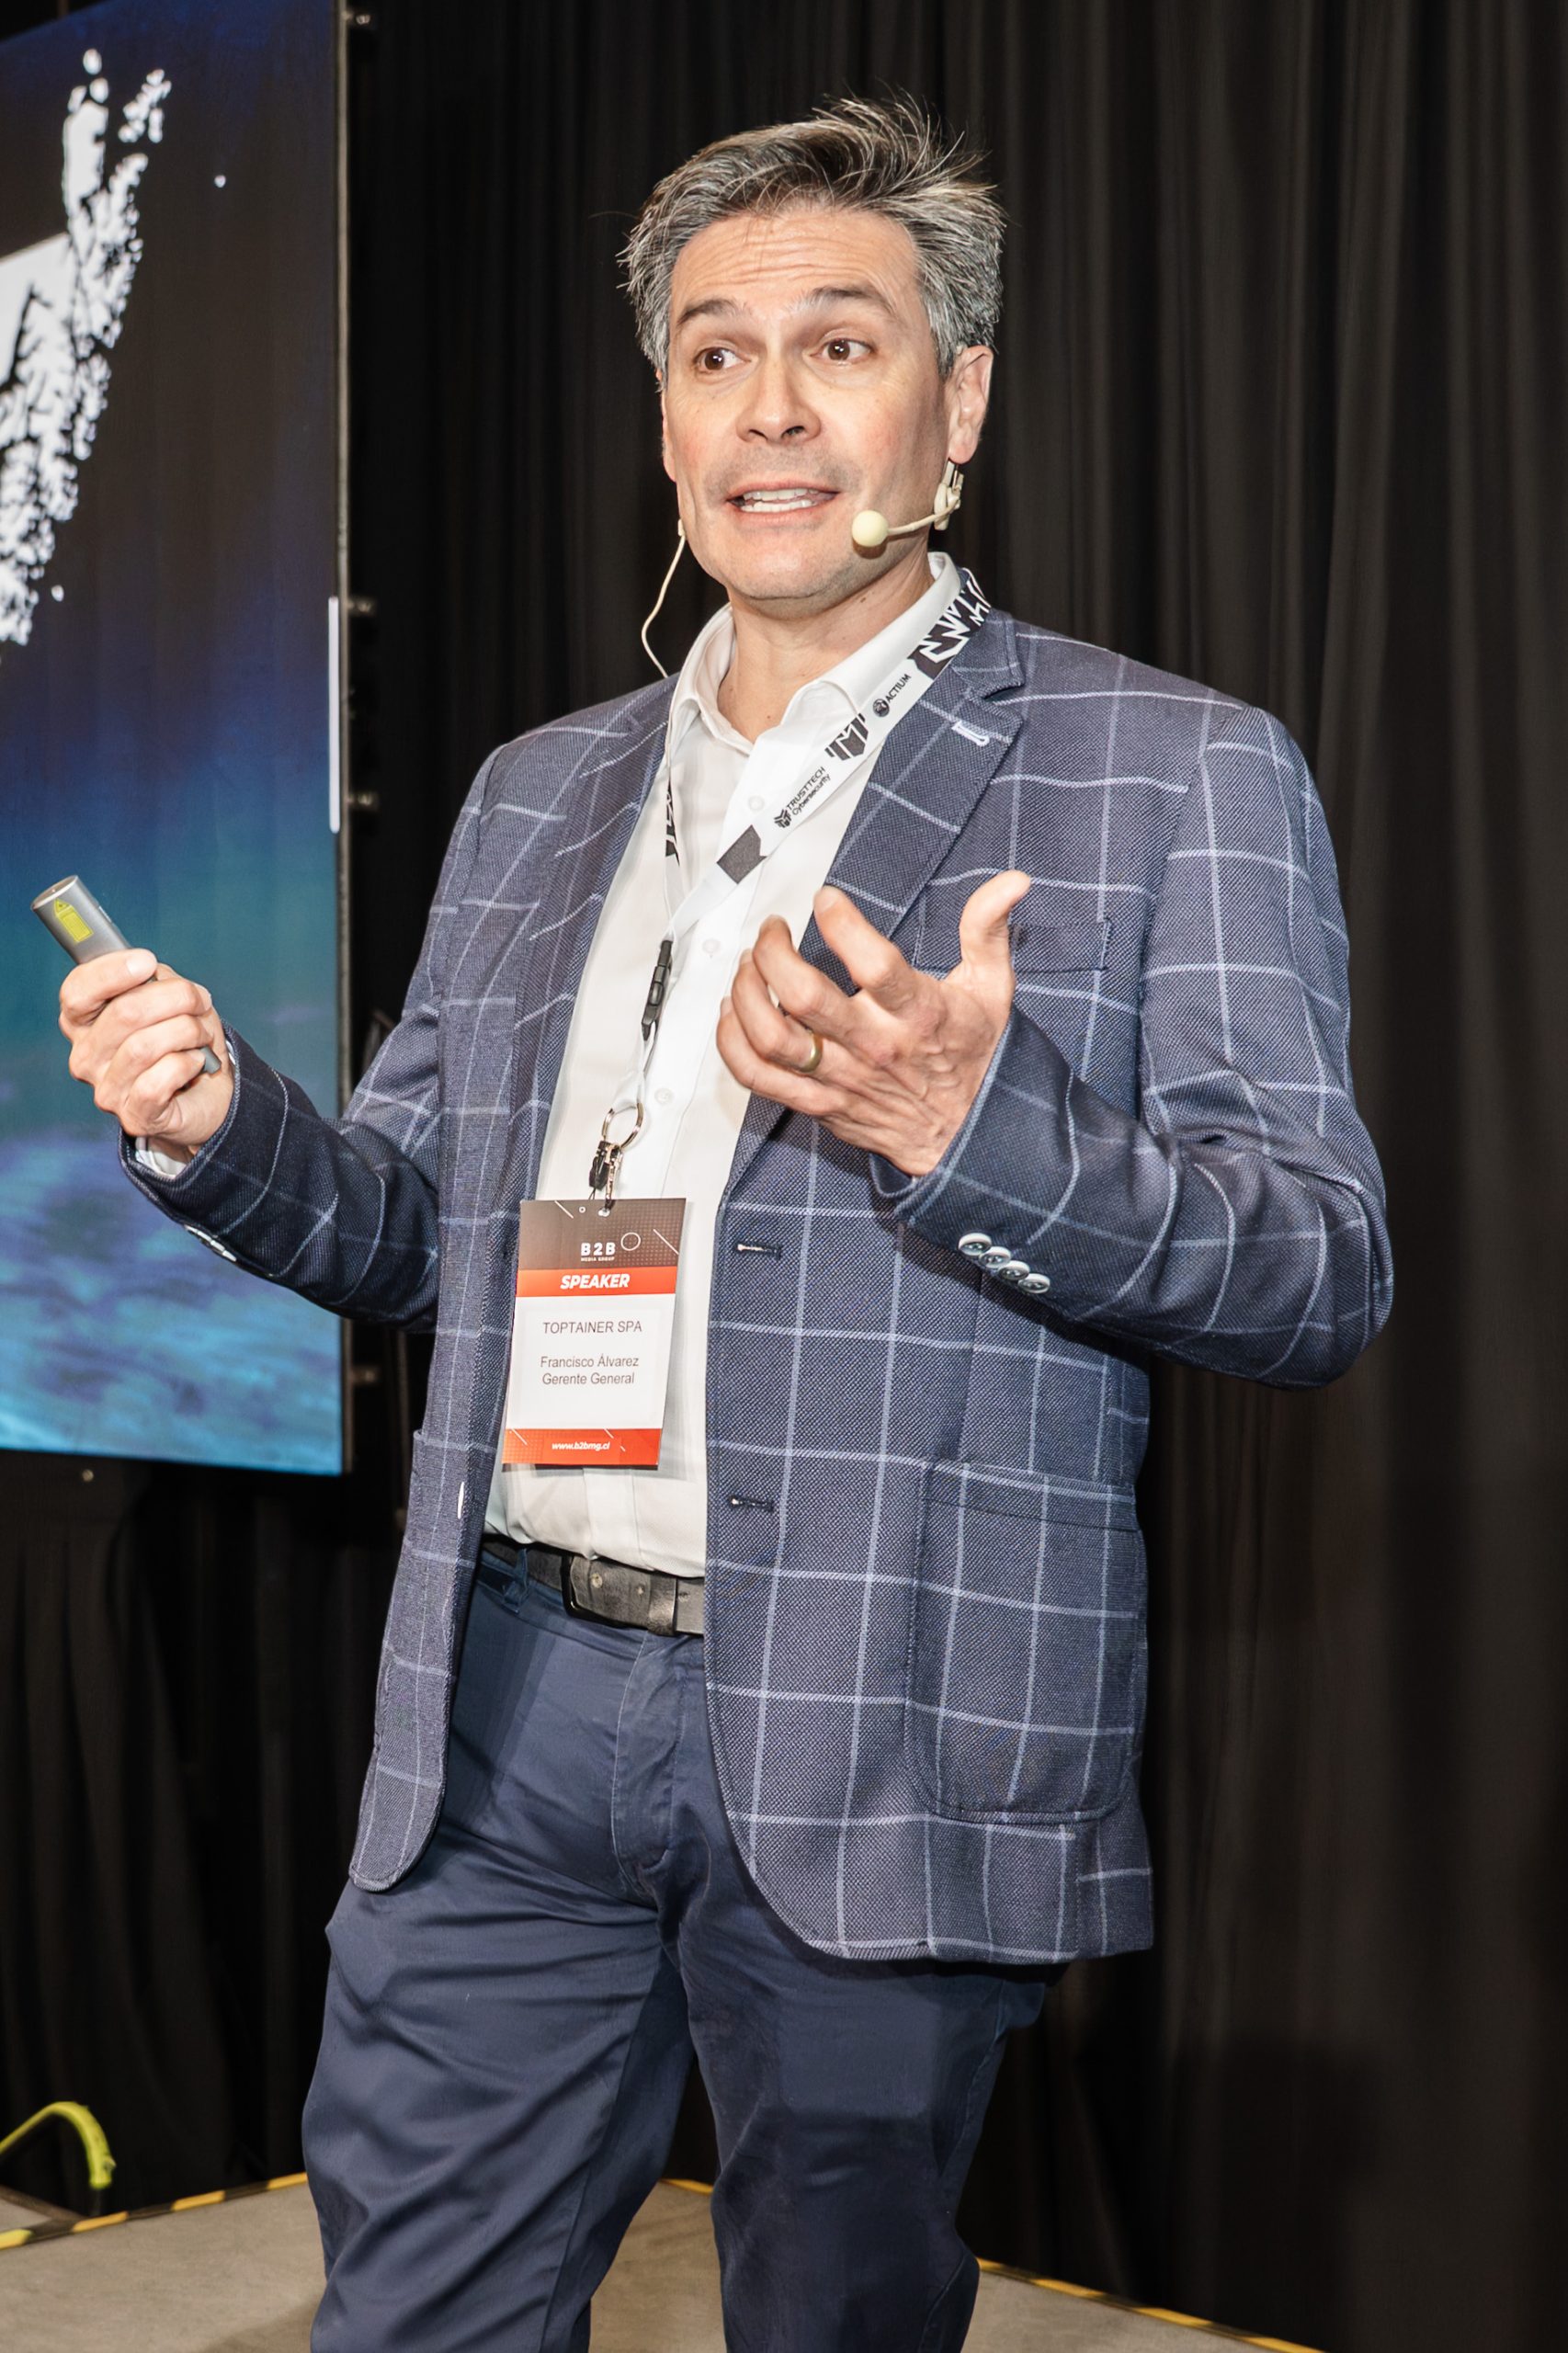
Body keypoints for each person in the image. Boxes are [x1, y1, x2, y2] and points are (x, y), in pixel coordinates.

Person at [58, 97, 1392, 2353]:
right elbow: (417, 1230)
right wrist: (220, 1128)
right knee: (412, 2317)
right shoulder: (535, 791)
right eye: (710, 354)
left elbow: (1316, 1268)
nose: (769, 408)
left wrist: (971, 1127)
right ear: (664, 417)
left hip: (886, 1708)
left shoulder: (1172, 767)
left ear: (957, 403)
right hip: (506, 1699)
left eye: (839, 346)